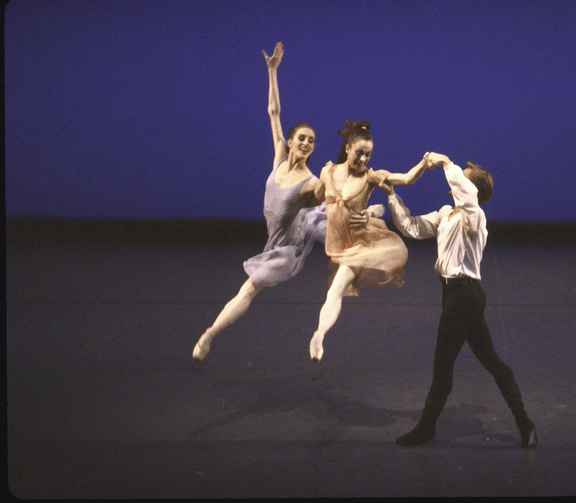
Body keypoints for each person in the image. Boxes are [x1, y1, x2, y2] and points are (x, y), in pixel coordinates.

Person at [193, 42, 347, 361]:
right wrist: (272, 71)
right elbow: (273, 111)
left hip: (289, 247)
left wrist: (333, 183)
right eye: (301, 138)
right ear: (289, 142)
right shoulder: (279, 156)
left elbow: (322, 193)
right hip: (276, 235)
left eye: (312, 141)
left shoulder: (311, 180)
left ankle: (209, 335)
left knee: (250, 287)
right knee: (251, 286)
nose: (306, 143)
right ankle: (209, 333)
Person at [378, 152, 537, 448]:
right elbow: (410, 226)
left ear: (470, 189)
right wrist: (391, 195)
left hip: (464, 296)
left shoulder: (475, 217)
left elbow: (467, 197)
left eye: (463, 179)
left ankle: (427, 427)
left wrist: (446, 162)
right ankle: (525, 423)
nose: (456, 182)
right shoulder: (445, 214)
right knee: (492, 362)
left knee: (443, 365)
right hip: (455, 295)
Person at [308, 120, 430, 361]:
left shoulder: (371, 177)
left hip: (359, 246)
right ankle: (320, 333)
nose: (363, 159)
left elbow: (405, 179)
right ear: (347, 149)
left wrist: (424, 164)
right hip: (337, 243)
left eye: (368, 154)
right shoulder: (327, 171)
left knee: (336, 290)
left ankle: (319, 335)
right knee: (335, 291)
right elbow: (316, 196)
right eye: (359, 153)